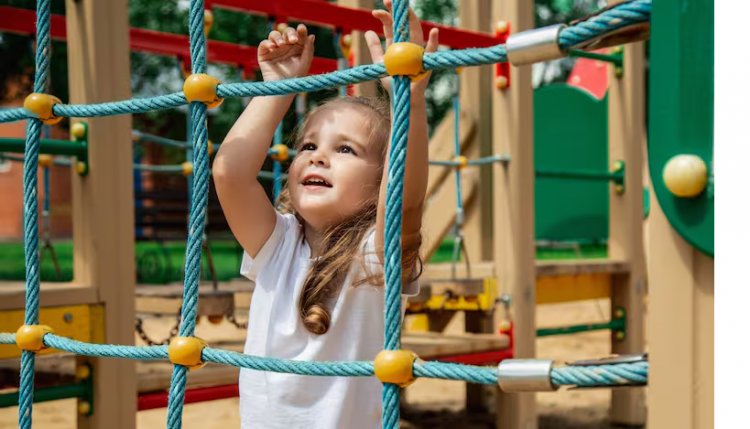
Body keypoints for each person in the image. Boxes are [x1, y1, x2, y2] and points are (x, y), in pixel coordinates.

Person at [213, 1, 439, 427]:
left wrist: (408, 95)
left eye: (345, 149)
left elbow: (405, 200)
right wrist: (278, 89)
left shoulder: (373, 258)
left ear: (380, 182)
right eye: (309, 146)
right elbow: (229, 173)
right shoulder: (276, 245)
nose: (318, 158)